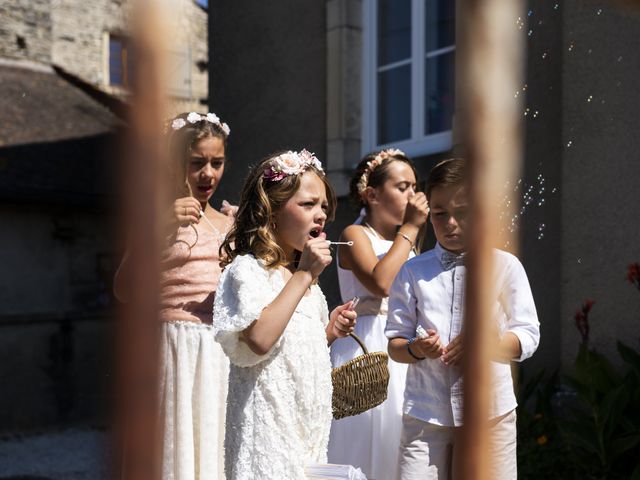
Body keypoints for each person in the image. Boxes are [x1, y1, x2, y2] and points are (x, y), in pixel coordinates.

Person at [385, 158, 540, 480]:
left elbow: (527, 333)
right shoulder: (413, 271)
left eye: (464, 212)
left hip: (490, 412)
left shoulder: (505, 266)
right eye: (440, 214)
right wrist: (417, 348)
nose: (451, 223)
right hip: (426, 413)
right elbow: (396, 344)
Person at [213, 150, 358, 480]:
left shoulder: (307, 285)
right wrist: (304, 274)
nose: (320, 215)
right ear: (272, 212)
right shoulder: (247, 271)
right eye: (307, 205)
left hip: (306, 431)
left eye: (323, 206)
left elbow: (296, 352)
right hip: (267, 429)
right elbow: (259, 341)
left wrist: (330, 332)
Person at [114, 111, 233, 480]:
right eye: (196, 163)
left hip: (219, 350)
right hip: (173, 346)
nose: (208, 174)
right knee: (174, 446)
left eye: (217, 163)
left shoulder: (230, 222)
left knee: (213, 446)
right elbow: (123, 289)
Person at [328, 148, 429, 480]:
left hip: (405, 343)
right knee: (370, 438)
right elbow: (381, 281)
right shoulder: (353, 236)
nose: (413, 196)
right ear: (372, 194)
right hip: (368, 346)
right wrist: (412, 229)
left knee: (403, 442)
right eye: (403, 187)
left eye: (415, 186)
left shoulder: (406, 243)